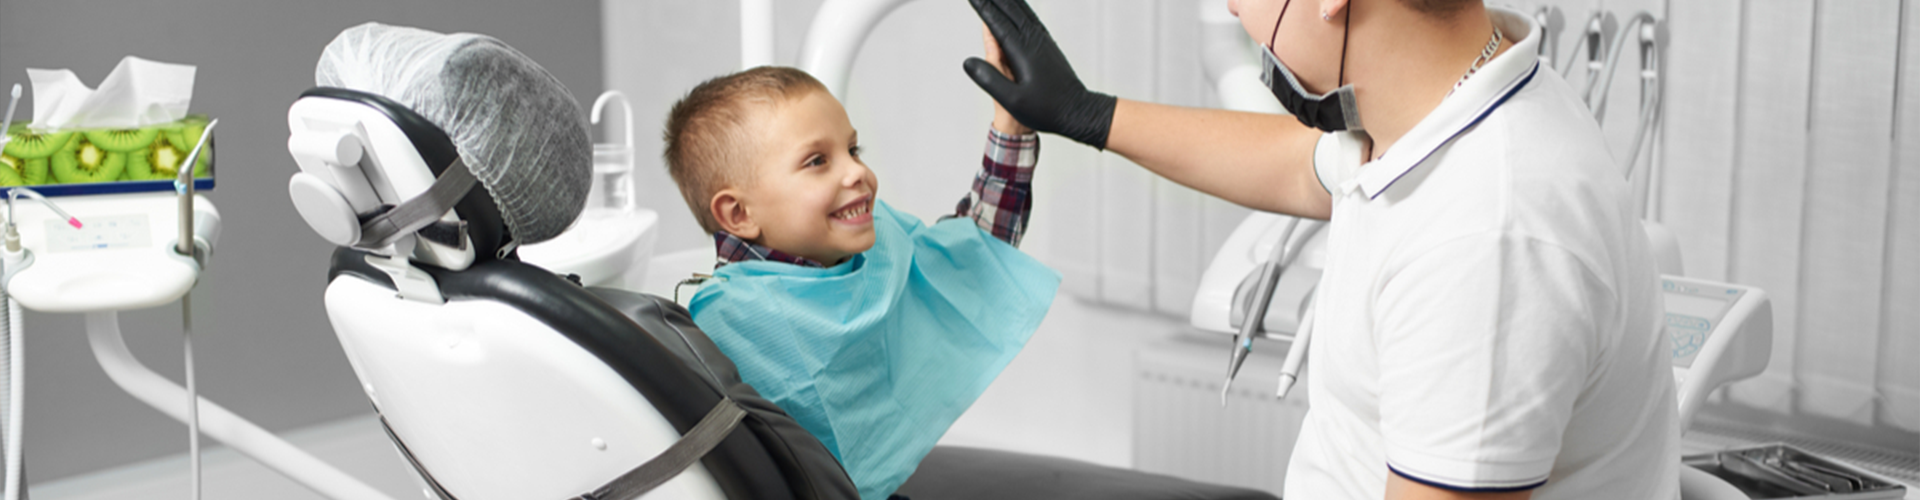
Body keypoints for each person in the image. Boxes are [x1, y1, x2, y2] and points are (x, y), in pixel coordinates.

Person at [962, 0, 1676, 499]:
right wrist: (1085, 112)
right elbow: (1299, 163)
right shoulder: (1444, 107)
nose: (1235, 10)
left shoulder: (1488, 237)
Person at [660, 50, 1058, 500]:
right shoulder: (728, 326)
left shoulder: (874, 257)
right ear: (738, 213)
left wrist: (1011, 127)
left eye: (853, 149)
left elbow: (968, 258)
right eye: (817, 161)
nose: (859, 173)